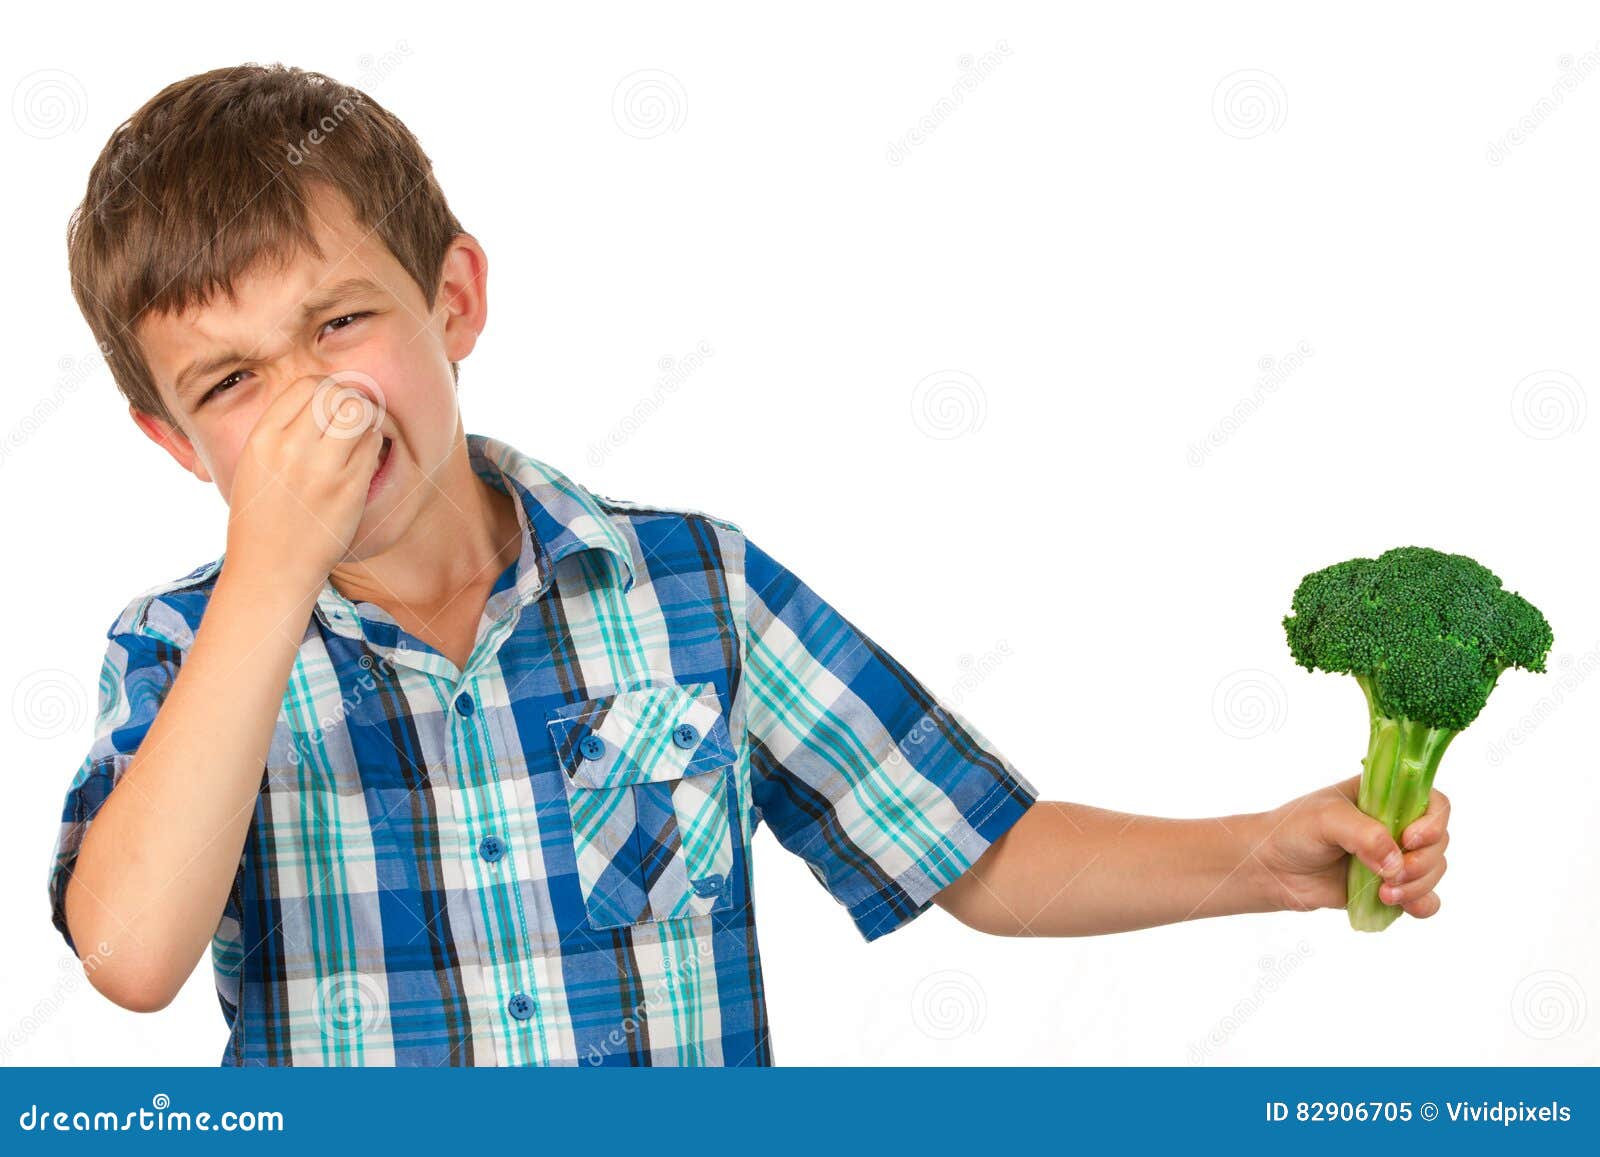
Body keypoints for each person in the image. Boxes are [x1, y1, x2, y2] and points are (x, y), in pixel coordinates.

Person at [49, 64, 1448, 1067]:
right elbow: (131, 954)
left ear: (454, 301)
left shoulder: (690, 589)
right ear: (176, 443)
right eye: (231, 381)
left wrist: (1257, 857)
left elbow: (978, 852)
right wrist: (270, 576)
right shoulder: (181, 655)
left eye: (342, 320)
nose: (311, 408)